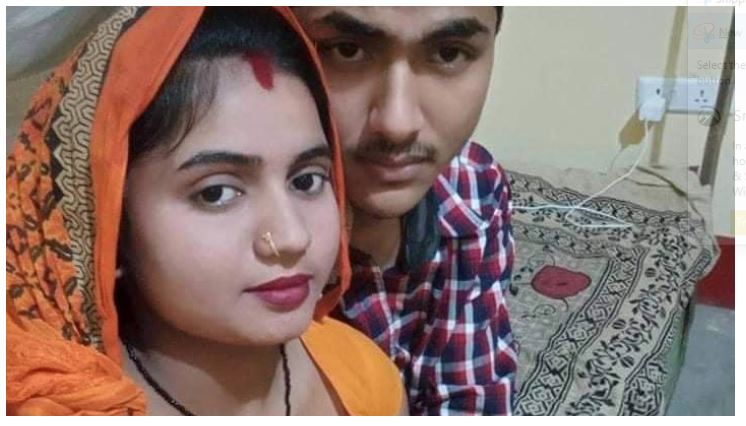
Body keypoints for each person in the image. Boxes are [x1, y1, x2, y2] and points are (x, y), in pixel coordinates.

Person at [6, 6, 405, 416]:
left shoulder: (365, 377)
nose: (291, 237)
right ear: (107, 222)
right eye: (216, 193)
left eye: (306, 181)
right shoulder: (53, 405)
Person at [293, 7, 517, 415]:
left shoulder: (471, 190)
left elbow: (470, 398)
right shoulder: (221, 242)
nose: (397, 124)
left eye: (448, 53)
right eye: (346, 50)